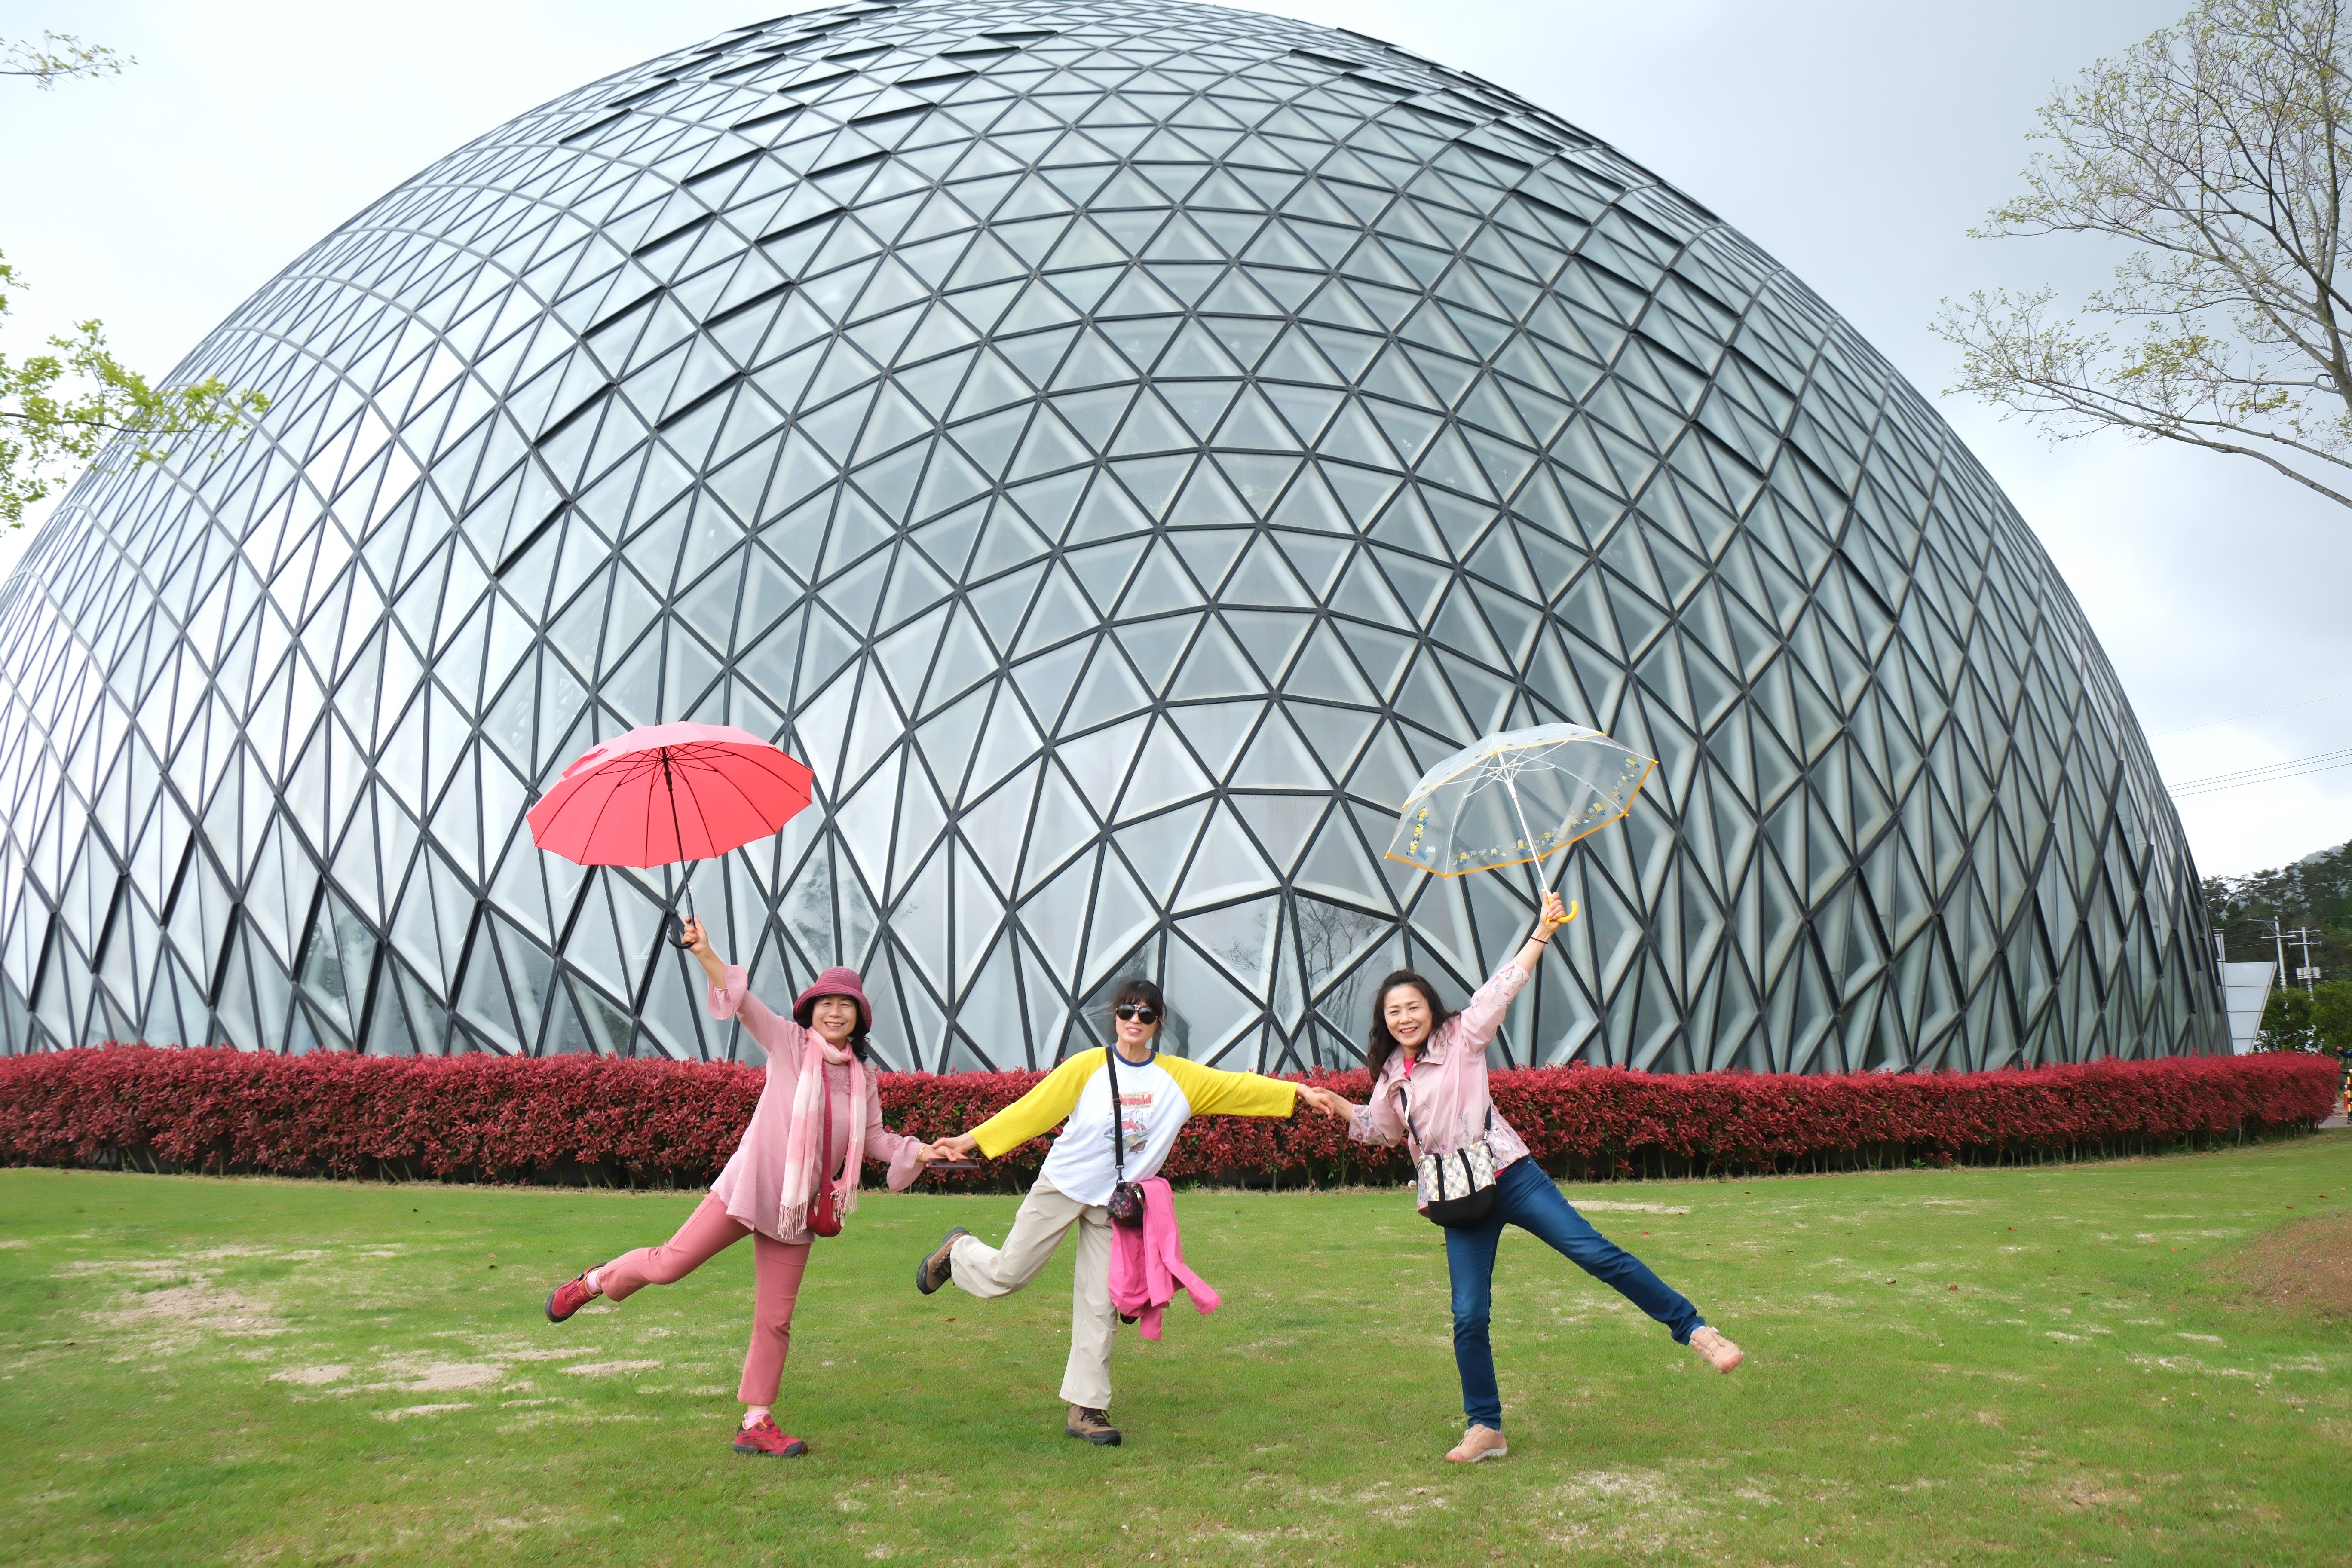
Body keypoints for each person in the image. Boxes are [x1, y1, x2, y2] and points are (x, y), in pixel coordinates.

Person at [1329, 889, 1743, 1464]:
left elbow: (1502, 987)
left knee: (1595, 1254)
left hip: (1511, 1176)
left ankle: (1694, 1329)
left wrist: (1543, 931)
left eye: (1413, 1006)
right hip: (1460, 1199)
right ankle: (1486, 1427)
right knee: (1468, 1315)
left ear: (1430, 1008)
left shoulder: (1462, 1036)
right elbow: (1382, 1131)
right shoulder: (1391, 1078)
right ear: (1384, 1021)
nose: (1405, 1017)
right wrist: (1337, 1108)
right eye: (1393, 1012)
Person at [541, 917, 950, 1458]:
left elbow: (873, 1138)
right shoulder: (788, 1043)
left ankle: (756, 1422)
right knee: (668, 1266)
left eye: (845, 1006)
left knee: (775, 1319)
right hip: (750, 1186)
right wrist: (705, 953)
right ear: (811, 1010)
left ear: (859, 1018)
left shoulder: (863, 1079)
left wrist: (921, 1151)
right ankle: (595, 1281)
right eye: (826, 1003)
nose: (834, 1012)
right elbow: (744, 1004)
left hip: (796, 1209)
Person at [912, 976, 1354, 1446]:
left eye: (1145, 1013)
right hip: (1064, 1186)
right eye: (1127, 1010)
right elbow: (1030, 1112)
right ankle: (958, 1252)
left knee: (1101, 1302)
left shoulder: (1181, 1078)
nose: (1134, 1020)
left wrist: (1298, 1093)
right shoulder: (1087, 1067)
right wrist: (968, 1142)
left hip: (1115, 1205)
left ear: (1158, 1022)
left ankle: (1086, 1408)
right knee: (1009, 1274)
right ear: (1116, 1017)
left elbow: (1238, 1087)